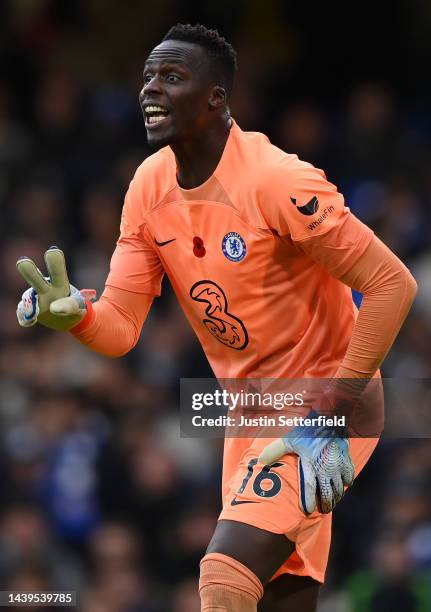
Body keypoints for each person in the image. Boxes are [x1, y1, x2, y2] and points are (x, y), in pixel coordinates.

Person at [16, 23, 417, 612]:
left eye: (171, 77)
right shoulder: (148, 188)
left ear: (216, 98)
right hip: (251, 411)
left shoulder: (275, 181)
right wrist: (75, 314)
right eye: (148, 76)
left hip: (328, 404)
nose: (151, 89)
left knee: (223, 579)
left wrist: (333, 408)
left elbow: (392, 284)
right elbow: (122, 328)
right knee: (280, 598)